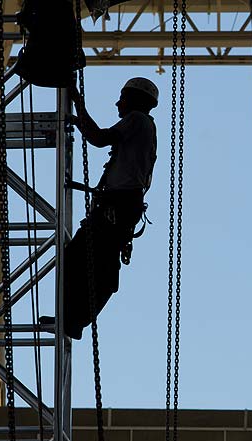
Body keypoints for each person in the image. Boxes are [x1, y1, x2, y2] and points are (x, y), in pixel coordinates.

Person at [44, 77, 159, 340]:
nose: (118, 102)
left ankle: (75, 319)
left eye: (123, 97)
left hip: (117, 206)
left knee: (82, 261)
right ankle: (73, 319)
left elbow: (98, 138)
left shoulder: (137, 120)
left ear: (136, 101)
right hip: (119, 206)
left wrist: (77, 102)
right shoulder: (144, 127)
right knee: (90, 262)